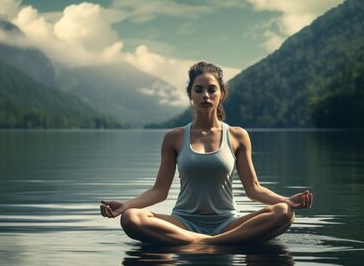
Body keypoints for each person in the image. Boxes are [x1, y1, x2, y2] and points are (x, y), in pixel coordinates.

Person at [100, 61, 313, 245]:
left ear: (221, 94)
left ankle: (202, 243)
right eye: (199, 89)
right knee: (131, 218)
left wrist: (287, 200)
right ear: (190, 94)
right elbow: (159, 191)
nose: (205, 95)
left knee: (284, 213)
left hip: (228, 223)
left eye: (212, 89)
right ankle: (215, 244)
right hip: (183, 222)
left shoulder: (238, 136)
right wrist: (125, 205)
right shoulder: (174, 137)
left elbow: (253, 189)